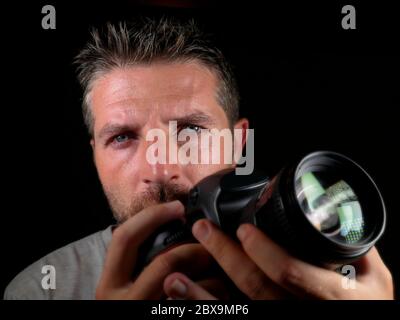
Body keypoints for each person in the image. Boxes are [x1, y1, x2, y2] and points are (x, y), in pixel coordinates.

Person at [4, 17, 393, 300]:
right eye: (122, 137)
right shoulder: (44, 289)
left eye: (190, 131)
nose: (160, 168)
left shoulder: (327, 277)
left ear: (239, 143)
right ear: (94, 157)